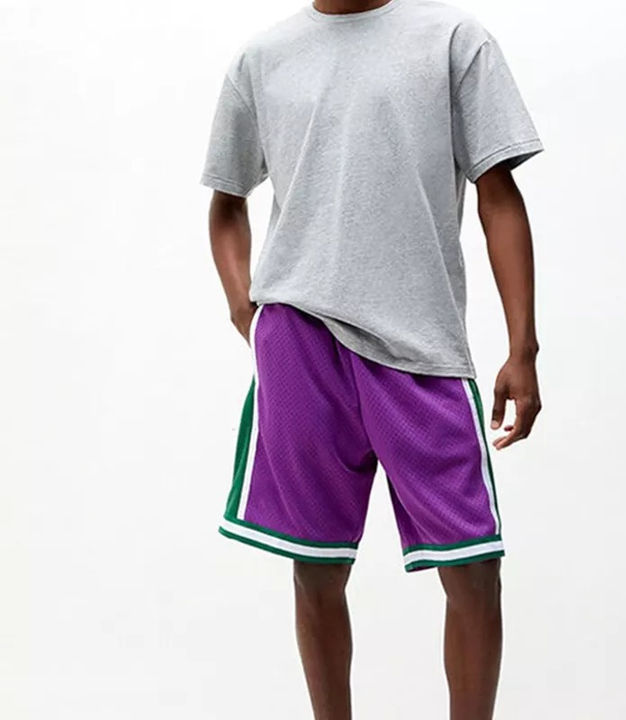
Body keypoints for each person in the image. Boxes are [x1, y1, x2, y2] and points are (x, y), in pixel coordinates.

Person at [201, 0, 542, 717]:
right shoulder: (263, 59)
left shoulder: (453, 41)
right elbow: (226, 201)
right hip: (299, 343)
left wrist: (522, 346)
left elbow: (499, 195)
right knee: (316, 566)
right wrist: (245, 309)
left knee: (474, 566)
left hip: (420, 346)